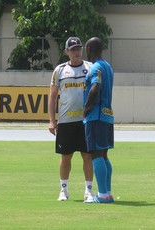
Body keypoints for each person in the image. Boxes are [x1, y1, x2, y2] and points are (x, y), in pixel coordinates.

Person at [48, 37, 94, 202]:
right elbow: (52, 97)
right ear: (66, 51)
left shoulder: (89, 68)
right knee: (65, 156)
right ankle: (63, 189)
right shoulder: (59, 70)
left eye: (78, 48)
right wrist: (52, 121)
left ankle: (88, 190)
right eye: (73, 49)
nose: (76, 52)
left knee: (87, 156)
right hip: (66, 121)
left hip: (86, 121)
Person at [83, 37, 114, 203]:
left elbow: (95, 88)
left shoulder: (95, 67)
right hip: (108, 115)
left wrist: (86, 108)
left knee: (96, 154)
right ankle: (107, 193)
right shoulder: (108, 66)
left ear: (88, 49)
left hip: (97, 116)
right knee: (104, 155)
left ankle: (101, 195)